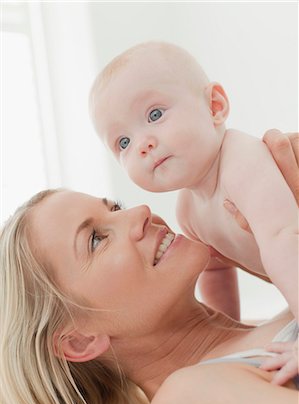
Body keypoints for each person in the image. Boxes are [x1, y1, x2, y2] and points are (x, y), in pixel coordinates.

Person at [0, 182, 298, 404]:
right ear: (79, 341)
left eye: (117, 207)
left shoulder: (266, 329)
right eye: (96, 239)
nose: (141, 211)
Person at [88, 41, 298, 384]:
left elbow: (284, 238)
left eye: (155, 115)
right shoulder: (187, 210)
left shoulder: (241, 160)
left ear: (215, 106)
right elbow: (215, 272)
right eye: (123, 142)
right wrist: (235, 337)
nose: (142, 143)